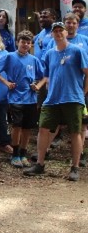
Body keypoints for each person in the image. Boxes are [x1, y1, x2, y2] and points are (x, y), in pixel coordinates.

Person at [24, 22, 88, 182]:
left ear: (66, 32)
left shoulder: (77, 51)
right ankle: (39, 164)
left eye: (61, 30)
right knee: (43, 129)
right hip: (52, 99)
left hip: (73, 98)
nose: (58, 33)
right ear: (52, 34)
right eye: (55, 31)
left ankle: (75, 167)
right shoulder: (49, 54)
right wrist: (46, 91)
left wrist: (83, 92)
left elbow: (87, 72)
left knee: (75, 132)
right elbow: (47, 76)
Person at [0, 31, 44, 168]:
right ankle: (14, 154)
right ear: (17, 42)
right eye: (22, 42)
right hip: (15, 98)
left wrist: (37, 86)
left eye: (28, 42)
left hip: (31, 99)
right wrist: (6, 82)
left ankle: (23, 154)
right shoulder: (9, 56)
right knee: (17, 126)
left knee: (27, 128)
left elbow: (44, 76)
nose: (25, 45)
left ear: (31, 44)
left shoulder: (34, 59)